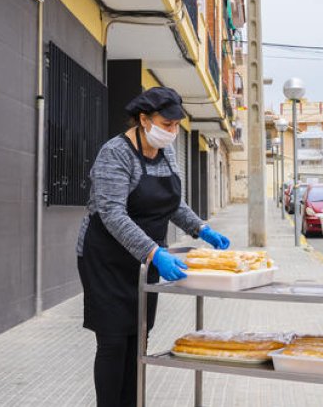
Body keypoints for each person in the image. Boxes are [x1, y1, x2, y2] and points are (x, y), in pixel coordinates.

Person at [75, 86, 231, 407]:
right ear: (144, 120)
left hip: (143, 263)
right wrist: (154, 252)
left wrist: (201, 228)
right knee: (113, 341)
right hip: (105, 259)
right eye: (167, 124)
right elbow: (112, 213)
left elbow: (172, 204)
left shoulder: (166, 152)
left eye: (176, 126)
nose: (172, 132)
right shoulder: (115, 153)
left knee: (139, 339)